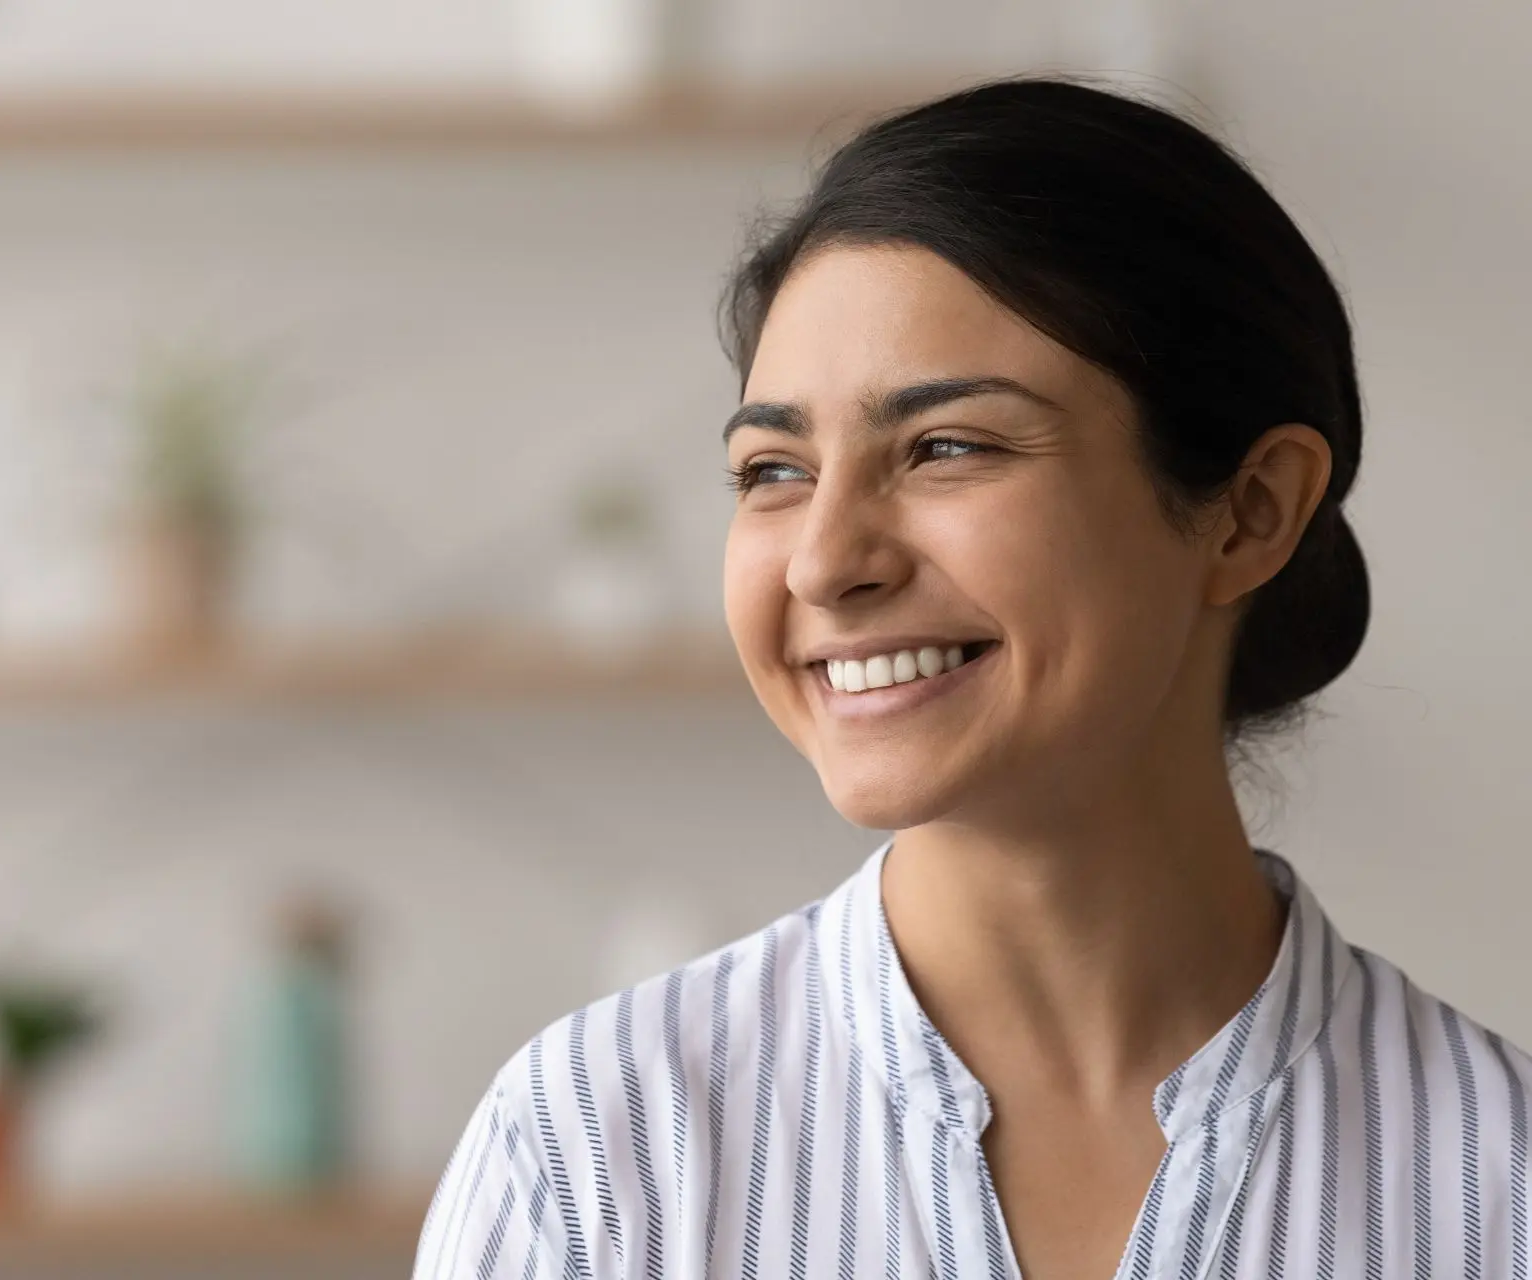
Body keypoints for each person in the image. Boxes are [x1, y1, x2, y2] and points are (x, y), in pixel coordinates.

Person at [412, 78, 1531, 1280]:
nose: (825, 562)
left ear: (1251, 511)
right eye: (774, 470)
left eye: (947, 446)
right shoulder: (590, 1158)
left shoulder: (1503, 1186)